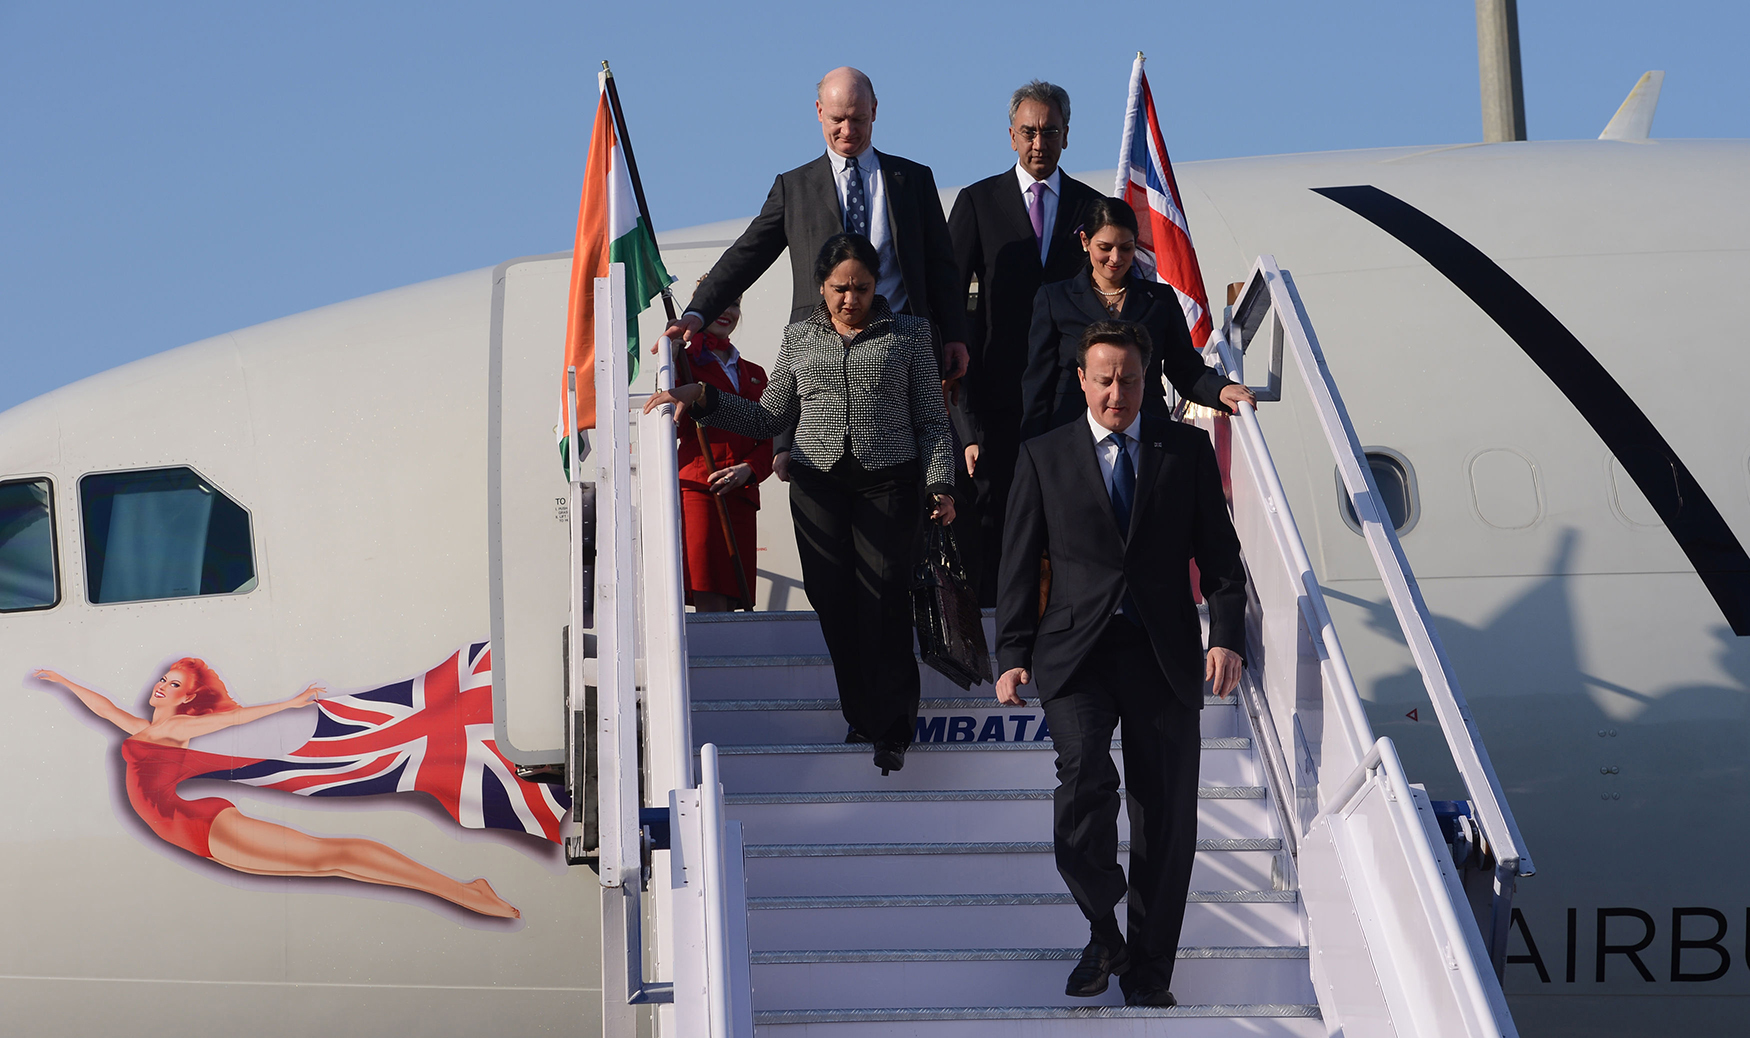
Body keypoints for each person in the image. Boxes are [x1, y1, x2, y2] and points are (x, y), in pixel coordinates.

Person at [994, 321, 1247, 1006]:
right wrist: (1012, 651)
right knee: (1083, 789)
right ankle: (1105, 929)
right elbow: (1018, 561)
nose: (1116, 392)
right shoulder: (1045, 455)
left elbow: (1222, 559)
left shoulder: (1184, 451)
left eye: (1129, 379)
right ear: (1081, 379)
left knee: (1167, 819)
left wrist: (1226, 635)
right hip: (1077, 653)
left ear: (1147, 381)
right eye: (1103, 379)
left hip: (1162, 653)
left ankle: (1147, 975)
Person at [645, 234, 955, 776]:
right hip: (817, 484)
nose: (850, 299)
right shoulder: (799, 338)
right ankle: (860, 715)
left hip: (889, 483)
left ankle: (893, 728)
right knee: (832, 599)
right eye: (839, 289)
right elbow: (766, 418)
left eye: (861, 288)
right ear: (821, 287)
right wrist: (702, 400)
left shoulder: (909, 335)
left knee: (883, 599)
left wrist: (940, 484)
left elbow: (931, 420)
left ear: (875, 285)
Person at [30, 660, 520, 918]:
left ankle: (464, 892)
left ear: (188, 699)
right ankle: (461, 892)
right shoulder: (143, 730)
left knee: (335, 856)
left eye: (173, 684)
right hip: (194, 836)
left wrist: (290, 704)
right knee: (332, 862)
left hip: (198, 825)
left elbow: (239, 717)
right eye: (163, 679)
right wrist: (63, 681)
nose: (161, 686)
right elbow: (104, 709)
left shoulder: (175, 731)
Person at [660, 67, 969, 386]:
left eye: (858, 119)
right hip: (821, 354)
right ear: (819, 112)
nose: (848, 130)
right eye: (837, 119)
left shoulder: (913, 181)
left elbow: (940, 267)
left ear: (874, 111)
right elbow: (746, 255)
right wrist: (697, 313)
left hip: (901, 351)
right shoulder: (794, 189)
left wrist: (955, 336)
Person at [948, 79, 1102, 604]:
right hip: (995, 394)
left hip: (1072, 394)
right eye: (1030, 132)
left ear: (1066, 136)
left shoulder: (1092, 208)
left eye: (1051, 132)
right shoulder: (977, 202)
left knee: (1070, 519)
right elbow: (948, 306)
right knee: (997, 514)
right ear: (1011, 135)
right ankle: (997, 638)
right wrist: (962, 410)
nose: (1040, 143)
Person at [1019, 196, 1254, 439]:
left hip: (1147, 433)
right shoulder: (1055, 298)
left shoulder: (1159, 299)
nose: (1115, 258)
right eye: (1105, 247)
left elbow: (1184, 367)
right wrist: (1032, 446)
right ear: (1085, 241)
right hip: (1072, 433)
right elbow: (1039, 381)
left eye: (1126, 248)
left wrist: (1220, 389)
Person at [676, 294, 773, 612]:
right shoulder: (682, 363)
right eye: (716, 303)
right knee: (708, 591)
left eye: (734, 304)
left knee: (737, 597)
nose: (727, 311)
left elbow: (774, 430)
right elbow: (670, 421)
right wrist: (675, 353)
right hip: (701, 487)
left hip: (742, 491)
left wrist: (750, 468)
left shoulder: (755, 372)